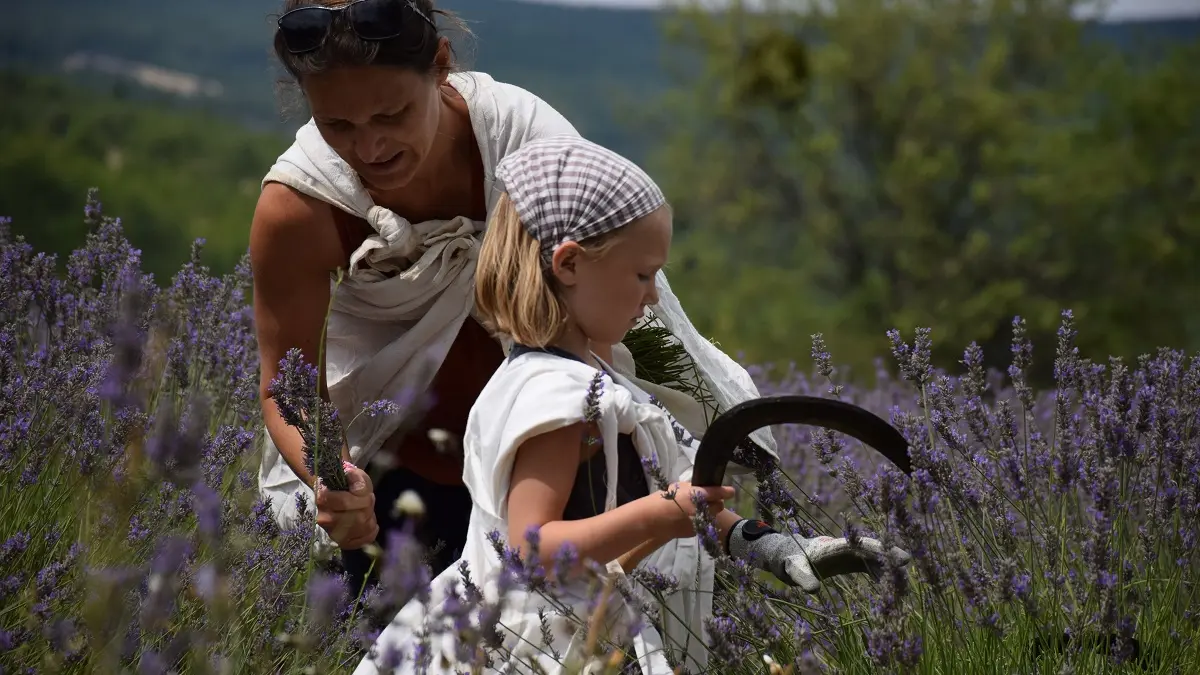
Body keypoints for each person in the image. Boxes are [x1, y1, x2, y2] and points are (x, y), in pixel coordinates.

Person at [249, 0, 778, 593]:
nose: (370, 147)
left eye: (392, 114)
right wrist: (333, 476)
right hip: (394, 477)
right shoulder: (298, 207)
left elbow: (614, 305)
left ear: (441, 67)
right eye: (338, 126)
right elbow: (288, 385)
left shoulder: (523, 144)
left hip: (552, 470)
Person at [353, 137, 912, 675]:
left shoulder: (597, 378)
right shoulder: (556, 398)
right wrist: (659, 515)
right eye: (642, 274)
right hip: (533, 647)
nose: (652, 294)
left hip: (586, 635)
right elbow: (532, 547)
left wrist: (768, 545)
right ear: (569, 264)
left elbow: (678, 493)